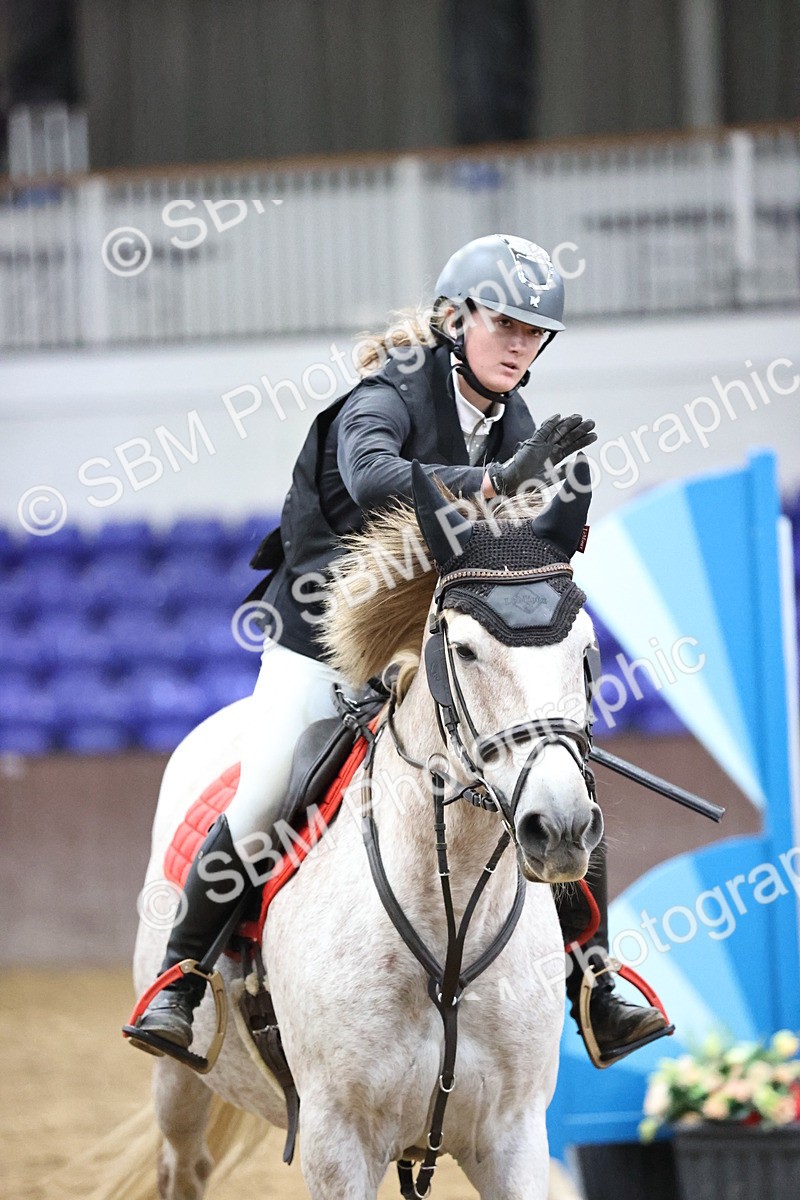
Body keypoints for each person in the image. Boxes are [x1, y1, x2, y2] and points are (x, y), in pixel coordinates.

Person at [130, 234, 667, 1063]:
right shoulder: (383, 395)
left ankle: (593, 978)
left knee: (555, 768)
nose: (521, 344)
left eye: (535, 332)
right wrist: (495, 481)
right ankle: (183, 978)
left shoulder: (512, 419)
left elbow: (506, 552)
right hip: (324, 642)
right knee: (271, 783)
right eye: (505, 323)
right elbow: (379, 477)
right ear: (456, 319)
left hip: (433, 641)